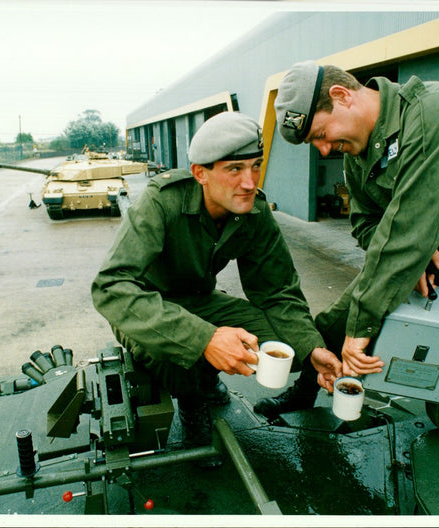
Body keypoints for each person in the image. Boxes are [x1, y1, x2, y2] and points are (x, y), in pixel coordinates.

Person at [255, 61, 439, 436]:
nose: (323, 151)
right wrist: (413, 260)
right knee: (331, 326)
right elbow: (367, 223)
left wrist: (362, 331)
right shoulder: (358, 153)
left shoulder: (438, 111)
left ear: (342, 95)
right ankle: (306, 391)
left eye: (321, 134)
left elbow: (411, 228)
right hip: (419, 253)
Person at [91, 111, 339, 466]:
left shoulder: (253, 212)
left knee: (275, 338)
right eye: (234, 169)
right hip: (147, 309)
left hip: (200, 301)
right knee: (181, 355)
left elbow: (278, 291)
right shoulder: (161, 203)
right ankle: (193, 404)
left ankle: (207, 378)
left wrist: (311, 348)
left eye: (256, 165)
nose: (250, 182)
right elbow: (110, 287)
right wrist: (205, 340)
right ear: (200, 173)